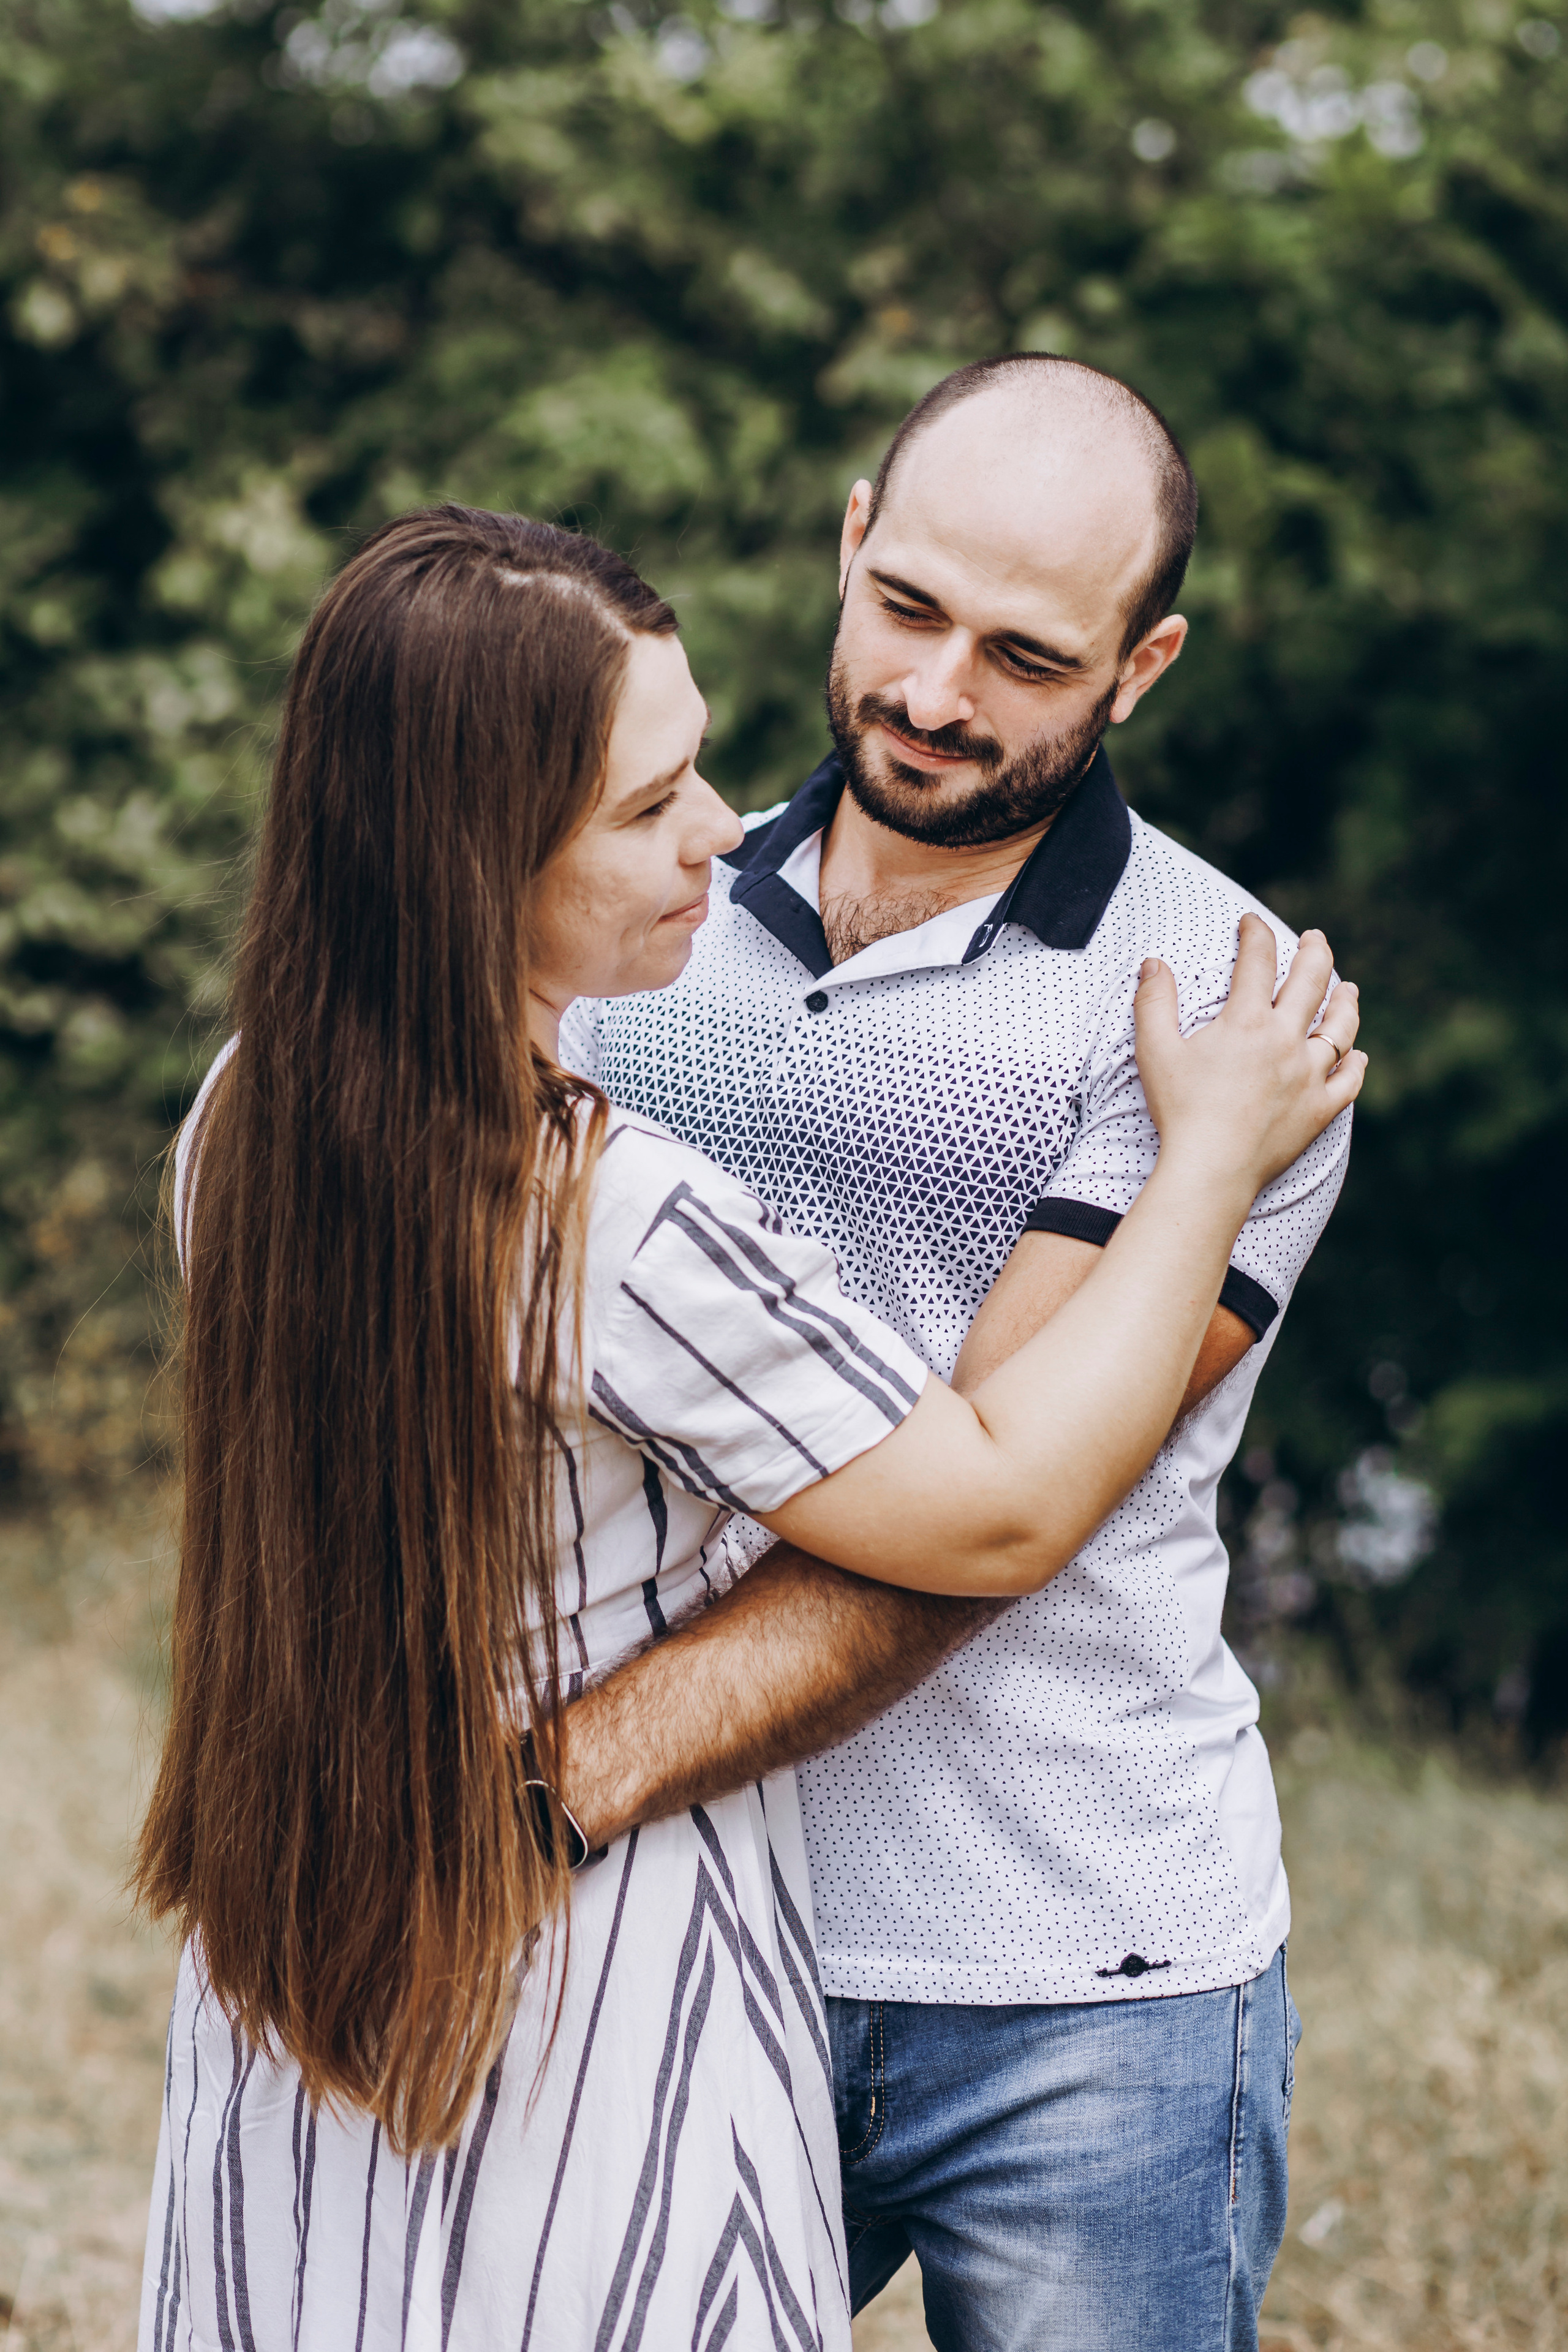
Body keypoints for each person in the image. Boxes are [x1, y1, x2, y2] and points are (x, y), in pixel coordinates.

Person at [134, 503, 1360, 2352]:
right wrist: (1206, 1160)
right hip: (594, 1988)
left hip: (335, 1939)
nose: (724, 826)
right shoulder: (607, 1214)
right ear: (470, 854)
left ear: (1143, 658)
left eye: (1024, 653)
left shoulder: (241, 1118)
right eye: (649, 805)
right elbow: (1005, 1504)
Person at [555, 354, 1358, 2351]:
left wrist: (555, 1784)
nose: (934, 692)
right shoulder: (629, 908)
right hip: (679, 1924)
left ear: (1141, 665)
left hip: (1087, 1967)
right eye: (906, 607)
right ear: (848, 542)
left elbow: (1001, 1498)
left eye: (1025, 654)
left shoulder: (1226, 1029)